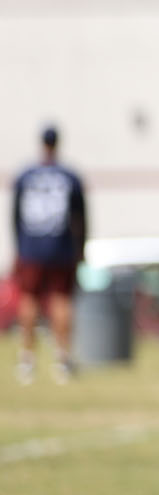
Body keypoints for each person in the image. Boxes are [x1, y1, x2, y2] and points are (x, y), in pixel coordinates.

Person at [11, 124, 87, 385]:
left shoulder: (26, 175)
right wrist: (80, 249)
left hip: (30, 247)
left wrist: (18, 248)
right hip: (61, 246)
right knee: (61, 300)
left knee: (29, 299)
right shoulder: (70, 177)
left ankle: (26, 360)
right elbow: (80, 218)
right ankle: (62, 360)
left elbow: (15, 217)